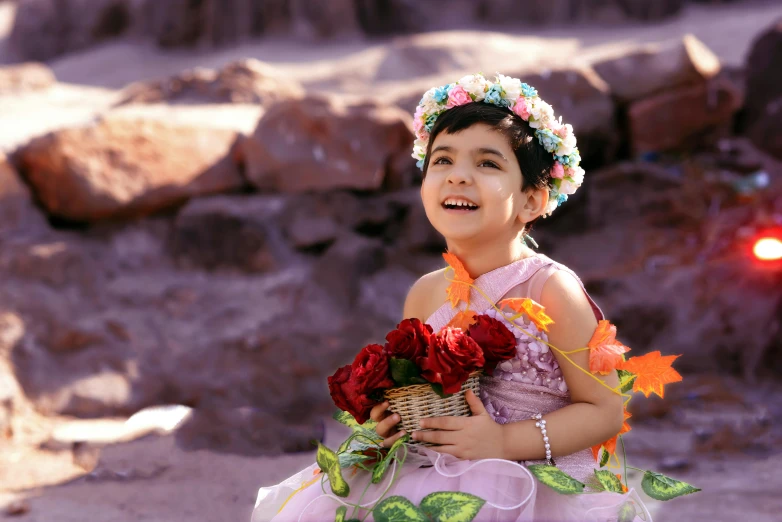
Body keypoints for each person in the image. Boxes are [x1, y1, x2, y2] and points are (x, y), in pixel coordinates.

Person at [252, 73, 652, 521]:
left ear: (532, 200)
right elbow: (418, 392)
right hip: (433, 471)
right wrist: (391, 424)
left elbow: (604, 410)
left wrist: (502, 442)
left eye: (487, 164)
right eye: (441, 161)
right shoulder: (426, 293)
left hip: (529, 487)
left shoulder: (548, 288)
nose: (458, 176)